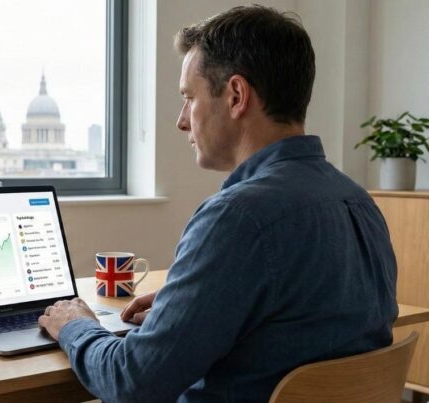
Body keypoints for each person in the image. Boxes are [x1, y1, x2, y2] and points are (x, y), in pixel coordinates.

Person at [38, 5, 398, 402]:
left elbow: (133, 384)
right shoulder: (358, 202)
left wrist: (76, 325)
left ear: (236, 96)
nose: (181, 120)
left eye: (188, 98)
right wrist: (196, 307)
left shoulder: (239, 217)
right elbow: (311, 326)